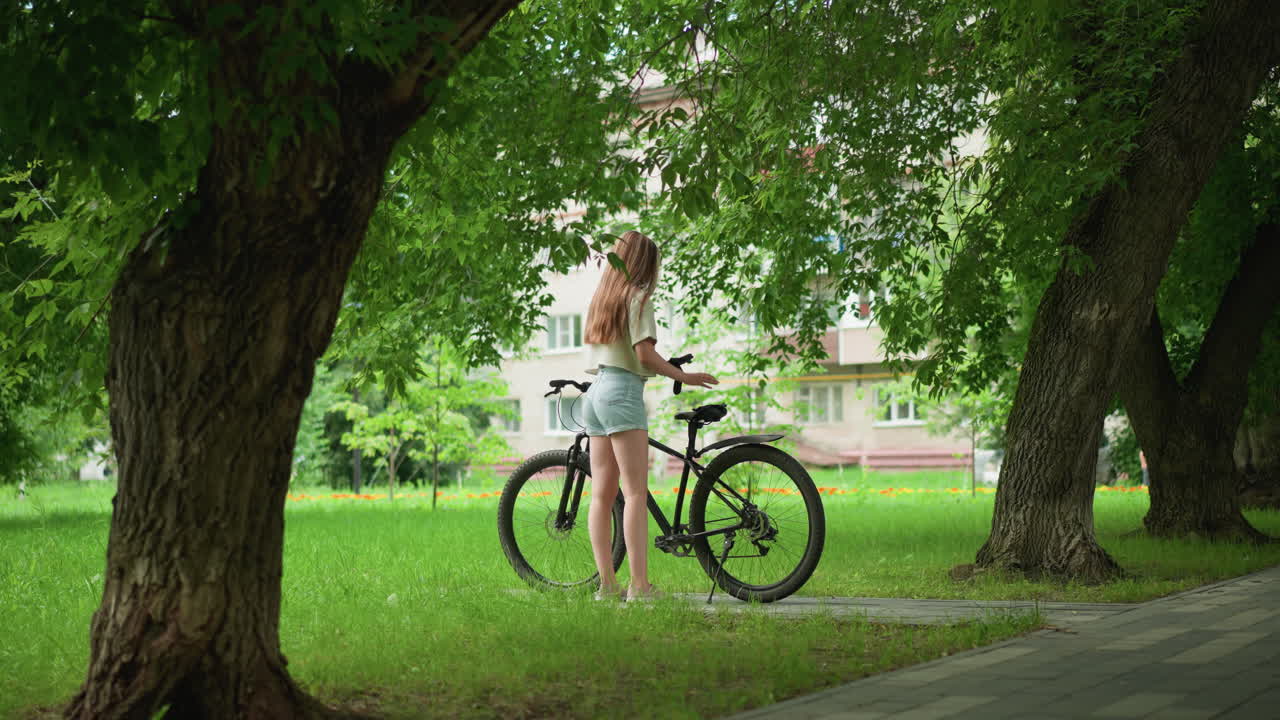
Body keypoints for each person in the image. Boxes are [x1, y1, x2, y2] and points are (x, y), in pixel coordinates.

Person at [581, 230, 718, 601]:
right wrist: (684, 376)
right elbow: (643, 355)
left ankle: (607, 586)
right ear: (646, 263)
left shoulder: (601, 299)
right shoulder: (638, 296)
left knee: (601, 496)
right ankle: (639, 587)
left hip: (594, 393)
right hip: (622, 392)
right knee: (636, 492)